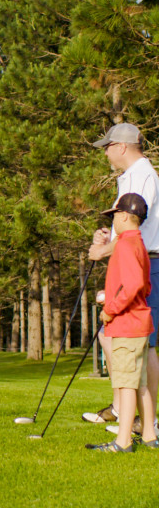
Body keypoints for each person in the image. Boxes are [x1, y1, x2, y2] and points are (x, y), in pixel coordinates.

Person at [84, 123, 159, 436]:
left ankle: (147, 420)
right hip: (129, 259)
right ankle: (123, 409)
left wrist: (103, 251)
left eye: (108, 146)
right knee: (110, 335)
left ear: (123, 146)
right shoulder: (128, 177)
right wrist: (106, 238)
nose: (105, 151)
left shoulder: (144, 175)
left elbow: (133, 226)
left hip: (146, 263)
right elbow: (122, 226)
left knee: (145, 344)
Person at [86, 193, 157, 451]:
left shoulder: (125, 244)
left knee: (125, 383)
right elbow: (145, 285)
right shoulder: (139, 243)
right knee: (140, 384)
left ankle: (123, 441)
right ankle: (149, 435)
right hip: (140, 321)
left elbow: (135, 284)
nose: (113, 219)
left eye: (114, 215)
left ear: (125, 216)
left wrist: (110, 309)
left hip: (126, 323)